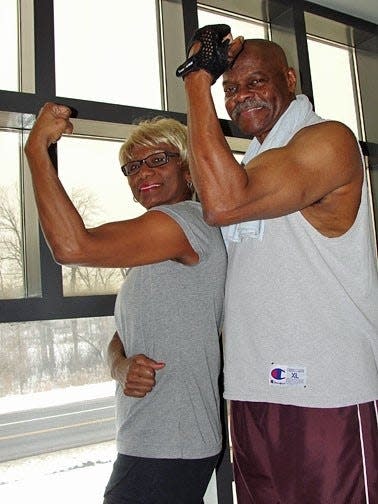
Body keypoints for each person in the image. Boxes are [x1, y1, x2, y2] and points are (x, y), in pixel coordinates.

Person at [177, 25, 378, 503]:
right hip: (251, 391)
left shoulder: (328, 141)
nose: (240, 96)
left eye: (255, 82)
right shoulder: (255, 162)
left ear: (290, 79)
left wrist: (195, 80)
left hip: (325, 394)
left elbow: (224, 202)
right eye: (229, 88)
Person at [24, 105, 227, 504]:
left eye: (157, 160)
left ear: (188, 169)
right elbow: (124, 335)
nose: (144, 172)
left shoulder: (186, 223)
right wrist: (120, 365)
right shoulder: (153, 250)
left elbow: (72, 246)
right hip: (155, 439)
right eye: (133, 168)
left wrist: (36, 150)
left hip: (171, 443)